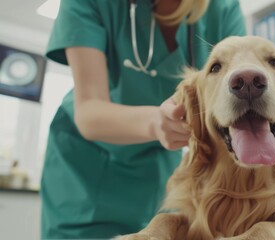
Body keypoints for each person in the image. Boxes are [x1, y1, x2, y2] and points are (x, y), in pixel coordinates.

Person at [40, 0, 246, 238]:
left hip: (159, 170)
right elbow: (88, 112)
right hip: (84, 171)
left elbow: (236, 104)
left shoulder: (222, 8)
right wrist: (157, 123)